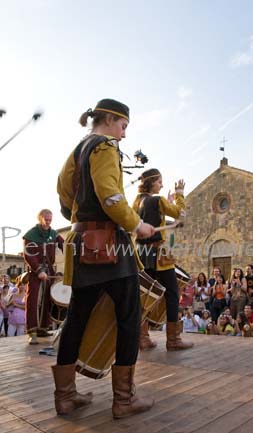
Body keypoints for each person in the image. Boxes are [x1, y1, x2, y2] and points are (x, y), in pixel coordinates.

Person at [54, 99, 156, 419]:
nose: (124, 135)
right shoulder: (105, 147)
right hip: (111, 245)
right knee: (129, 317)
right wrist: (136, 224)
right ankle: (124, 400)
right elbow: (111, 196)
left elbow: (62, 190)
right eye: (123, 126)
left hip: (83, 242)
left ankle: (66, 396)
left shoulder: (79, 149)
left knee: (77, 318)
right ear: (110, 119)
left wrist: (80, 214)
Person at [133, 168, 193, 351]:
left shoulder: (137, 202)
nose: (162, 184)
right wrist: (180, 196)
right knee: (173, 294)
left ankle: (142, 338)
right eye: (159, 181)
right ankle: (173, 340)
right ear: (152, 182)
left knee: (144, 296)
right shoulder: (157, 200)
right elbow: (180, 215)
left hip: (142, 254)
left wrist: (165, 204)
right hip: (159, 255)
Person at [23, 209, 64, 344]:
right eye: (46, 219)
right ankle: (32, 332)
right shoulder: (31, 235)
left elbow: (65, 245)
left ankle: (42, 328)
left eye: (50, 219)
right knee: (33, 300)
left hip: (50, 271)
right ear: (40, 218)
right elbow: (28, 254)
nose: (48, 222)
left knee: (47, 299)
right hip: (36, 272)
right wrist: (38, 270)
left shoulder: (53, 233)